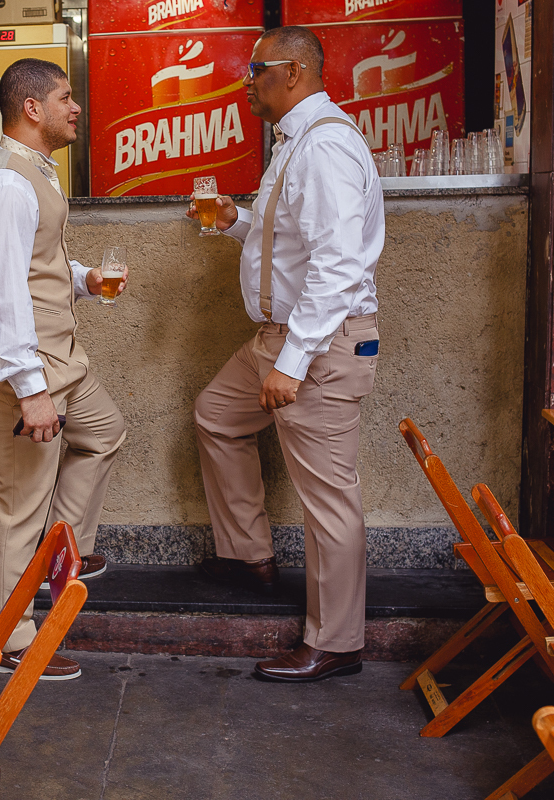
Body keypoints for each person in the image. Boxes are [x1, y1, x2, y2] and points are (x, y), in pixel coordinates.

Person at [186, 26, 384, 682]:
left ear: (294, 72)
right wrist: (232, 221)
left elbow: (335, 266)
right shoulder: (295, 144)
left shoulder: (326, 148)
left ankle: (337, 641)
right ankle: (248, 554)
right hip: (282, 336)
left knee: (328, 495)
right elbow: (289, 238)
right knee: (216, 414)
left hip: (319, 342)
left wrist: (293, 363)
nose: (247, 82)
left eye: (257, 70)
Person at [0, 58, 127, 681]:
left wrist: (83, 279)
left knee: (104, 431)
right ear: (31, 109)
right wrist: (31, 392)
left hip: (59, 360)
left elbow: (34, 263)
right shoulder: (7, 184)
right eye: (65, 97)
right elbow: (2, 294)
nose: (75, 107)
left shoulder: (33, 173)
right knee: (17, 501)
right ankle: (8, 637)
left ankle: (60, 558)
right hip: (23, 367)